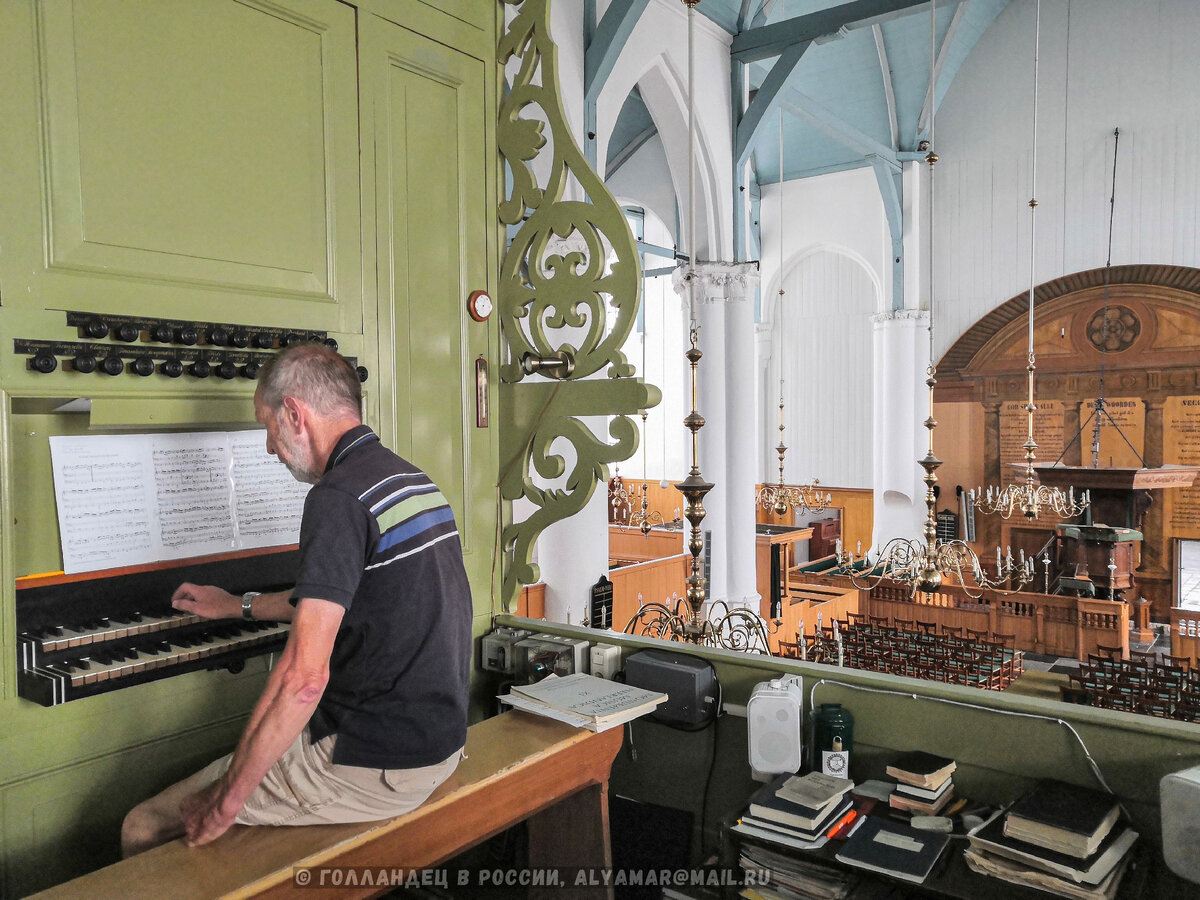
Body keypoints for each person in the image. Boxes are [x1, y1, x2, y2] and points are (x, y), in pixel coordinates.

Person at [121, 342, 472, 855]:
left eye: (268, 427)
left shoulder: (336, 499)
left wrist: (226, 801)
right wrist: (235, 604)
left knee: (144, 825)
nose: (269, 447)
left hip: (375, 762)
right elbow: (339, 598)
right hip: (438, 743)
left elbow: (305, 681)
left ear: (294, 413)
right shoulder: (406, 479)